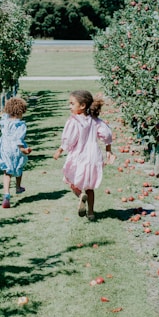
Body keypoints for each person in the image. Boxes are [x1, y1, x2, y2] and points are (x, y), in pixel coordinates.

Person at [53, 90, 115, 221]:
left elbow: (69, 139)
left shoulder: (74, 121)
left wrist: (60, 150)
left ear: (82, 106)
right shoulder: (95, 120)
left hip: (78, 156)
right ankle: (91, 213)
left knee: (71, 181)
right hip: (93, 157)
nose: (69, 106)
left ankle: (81, 196)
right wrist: (108, 150)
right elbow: (106, 134)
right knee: (90, 187)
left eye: (72, 103)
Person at [0, 97, 32, 208]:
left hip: (5, 148)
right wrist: (23, 149)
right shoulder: (20, 125)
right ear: (21, 112)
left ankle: (6, 194)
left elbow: (4, 115)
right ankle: (18, 187)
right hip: (16, 149)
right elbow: (18, 139)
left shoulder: (4, 121)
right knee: (19, 166)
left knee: (7, 170)